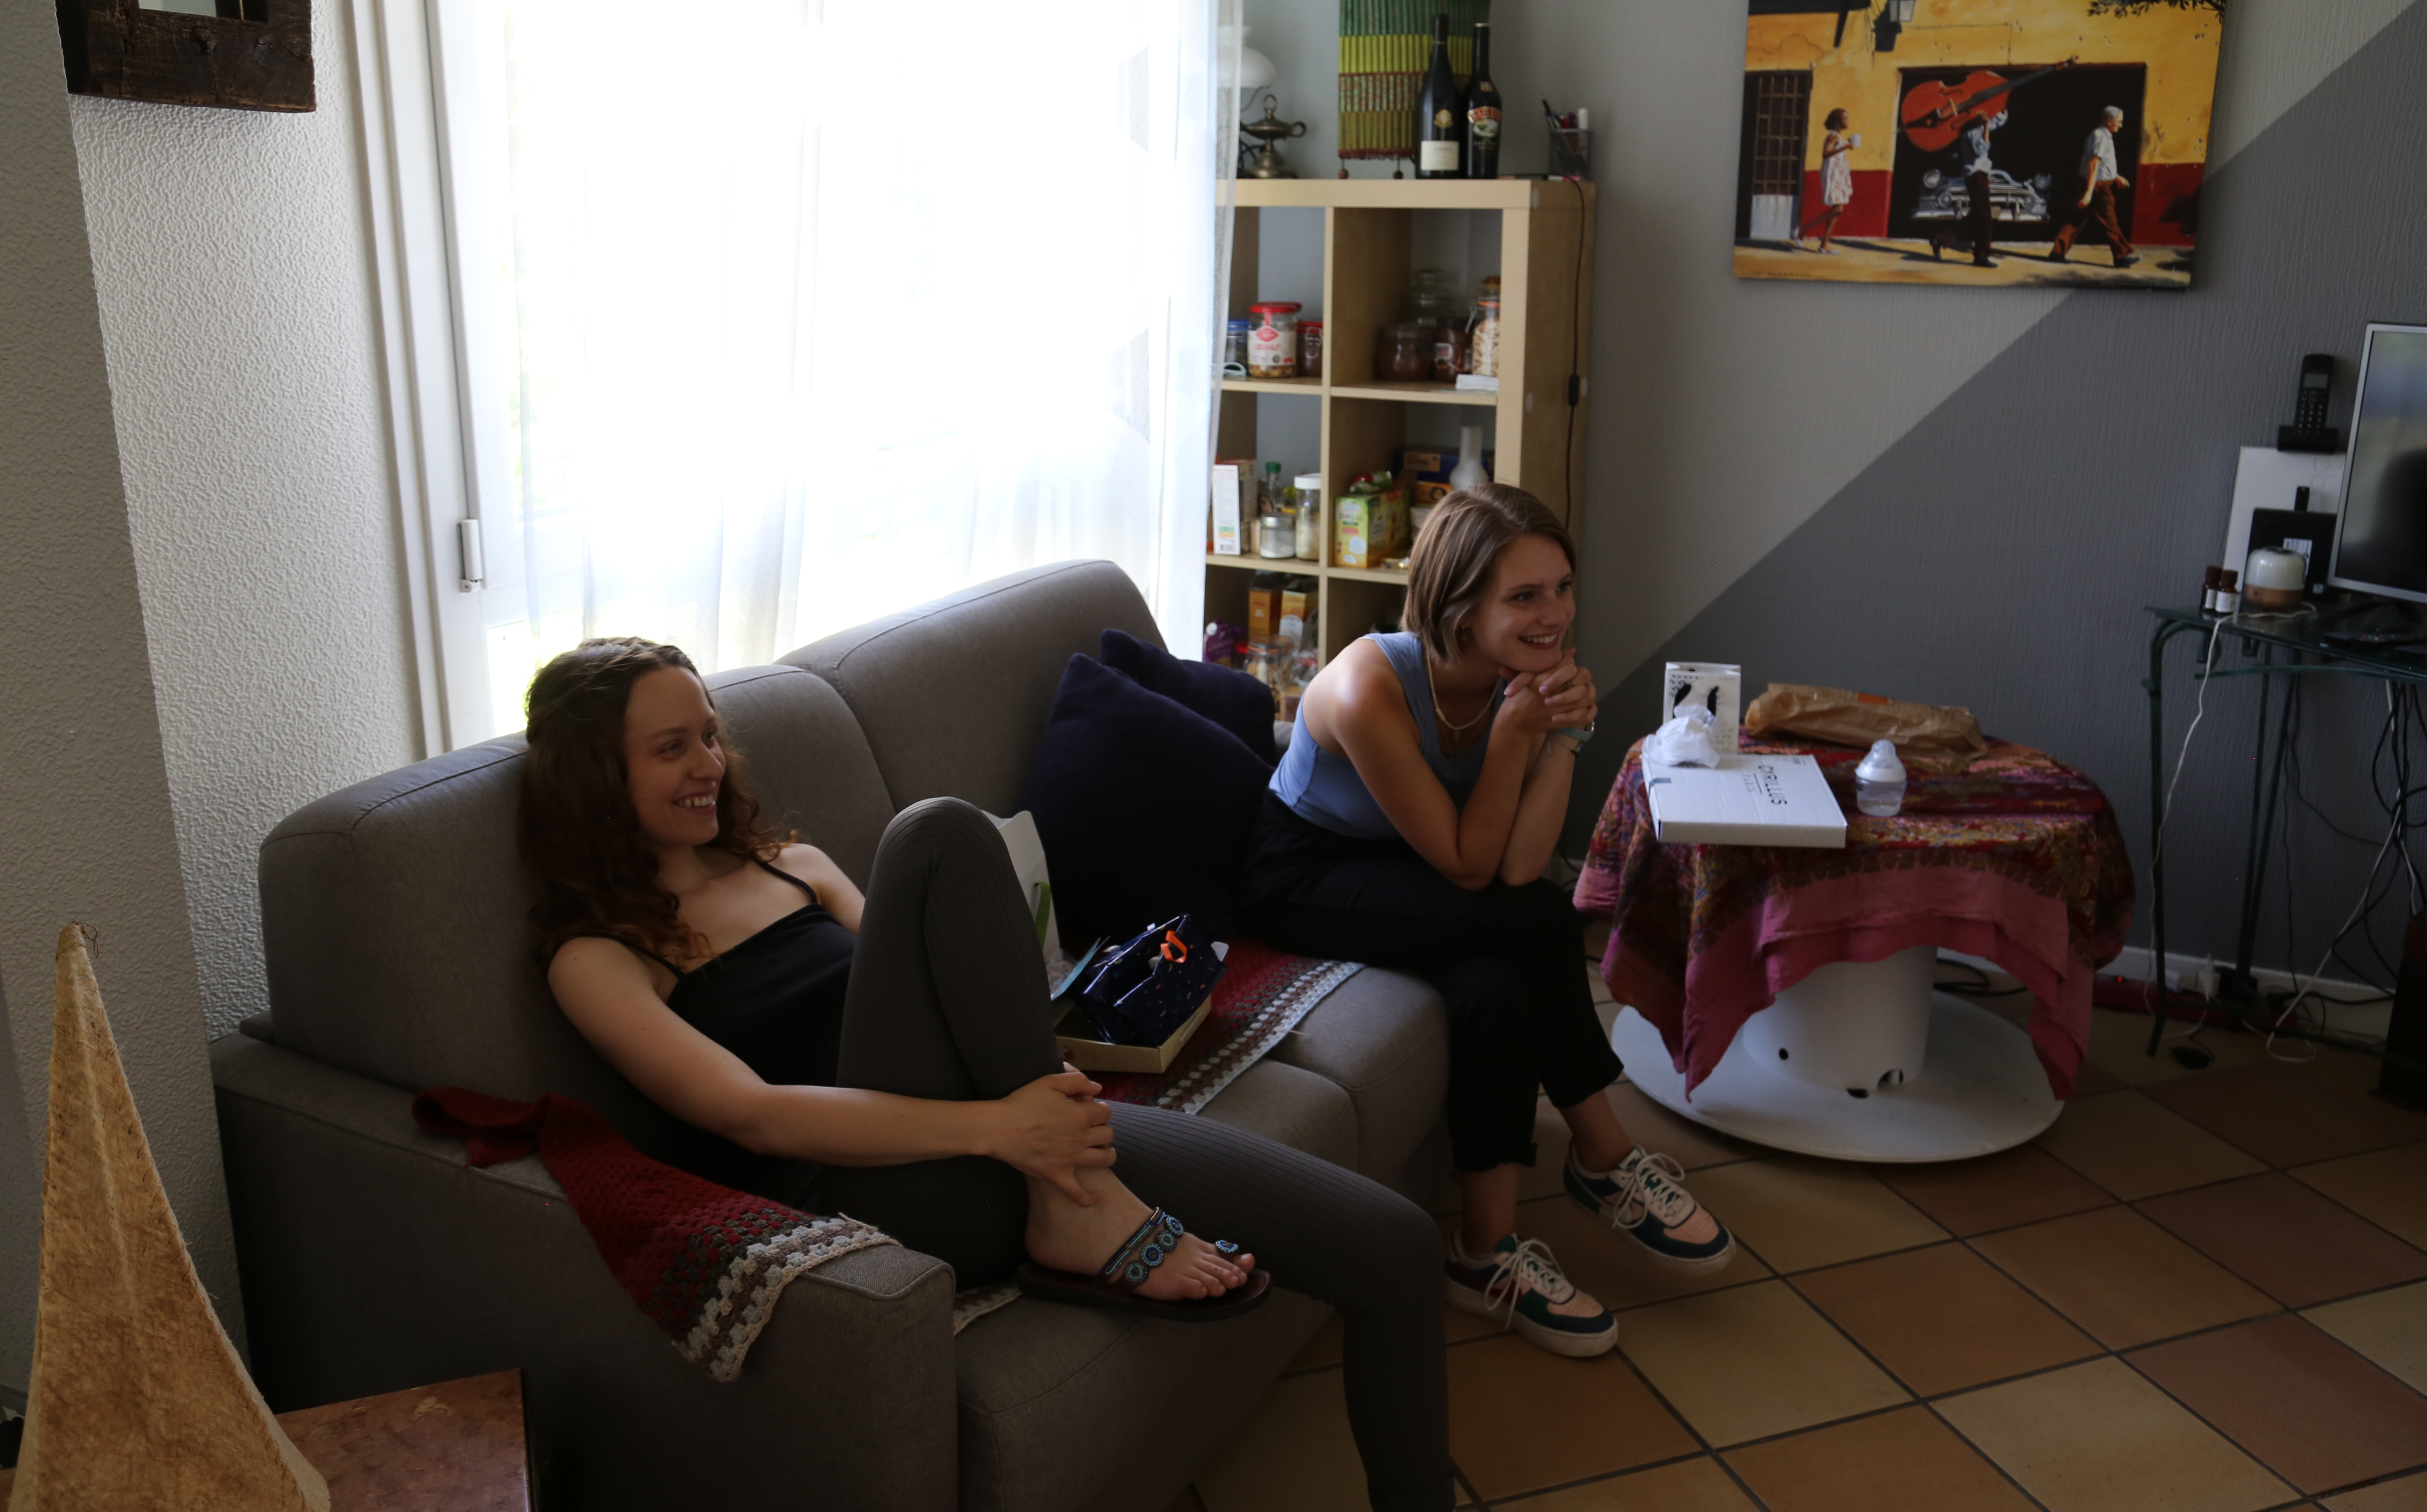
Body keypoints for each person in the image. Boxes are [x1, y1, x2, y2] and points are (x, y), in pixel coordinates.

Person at [522, 638, 1455, 1512]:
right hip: (864, 1190)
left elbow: (943, 996)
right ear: (595, 779)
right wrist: (1000, 1130)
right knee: (934, 833)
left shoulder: (794, 867)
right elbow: (752, 1114)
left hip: (1006, 1138)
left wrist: (1038, 1103)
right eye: (671, 748)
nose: (710, 764)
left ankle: (1073, 1201)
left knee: (1397, 1248)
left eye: (710, 735)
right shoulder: (598, 957)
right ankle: (1077, 1198)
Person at [1238, 486, 1735, 1362]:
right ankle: (1603, 1152)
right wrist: (1516, 736)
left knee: (1497, 981)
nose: (1556, 615)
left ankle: (1481, 1252)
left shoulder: (1520, 676)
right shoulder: (1366, 686)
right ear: (1459, 608)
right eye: (1525, 596)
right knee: (1539, 923)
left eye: (1562, 588)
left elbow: (1516, 866)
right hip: (1305, 874)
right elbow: (1474, 868)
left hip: (1416, 867)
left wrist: (1565, 738)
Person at [2049, 106, 2139, 267]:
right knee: (2110, 221)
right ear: (2110, 121)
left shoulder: (2100, 135)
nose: (2121, 125)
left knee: (2077, 219)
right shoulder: (2101, 137)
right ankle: (2121, 256)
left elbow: (2103, 164)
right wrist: (2089, 193)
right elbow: (2093, 164)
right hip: (2099, 187)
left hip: (2096, 184)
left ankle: (2058, 252)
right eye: (2119, 122)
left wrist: (2116, 177)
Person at [1799, 109, 1856, 253]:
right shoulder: (1833, 136)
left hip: (1840, 175)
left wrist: (1847, 145)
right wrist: (1845, 146)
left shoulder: (1839, 137)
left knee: (1837, 211)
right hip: (1833, 175)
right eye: (1845, 119)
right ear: (1838, 121)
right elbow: (1826, 154)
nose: (1848, 122)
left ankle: (1825, 244)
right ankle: (1805, 229)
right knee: (1838, 210)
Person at [1956, 109, 2008, 268]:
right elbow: (1982, 150)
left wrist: (2002, 111)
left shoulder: (1978, 126)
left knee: (1978, 216)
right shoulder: (1972, 130)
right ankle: (1981, 256)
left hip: (1981, 175)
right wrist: (1985, 127)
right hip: (1976, 175)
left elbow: (1996, 122)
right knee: (1985, 218)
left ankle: (1941, 238)